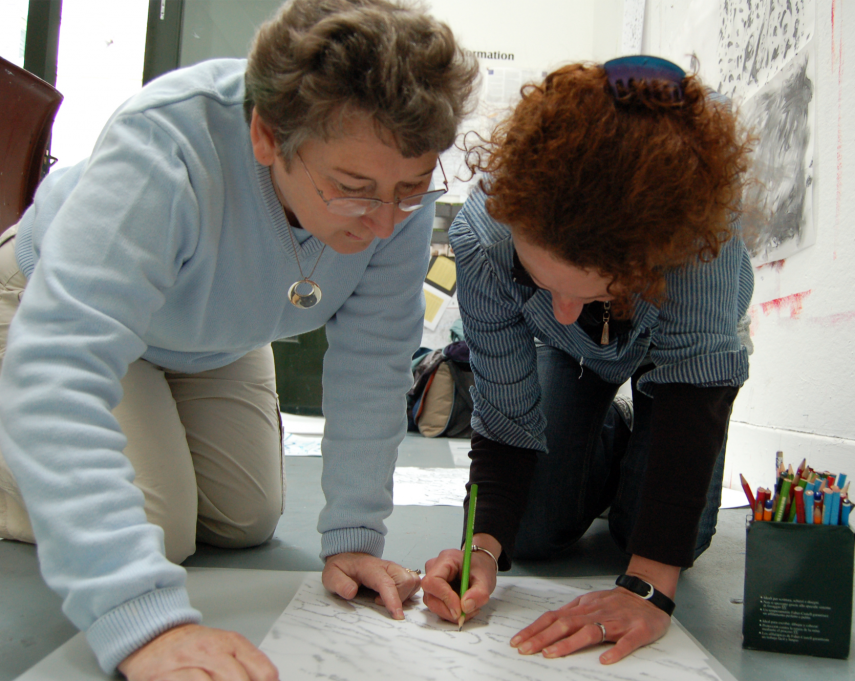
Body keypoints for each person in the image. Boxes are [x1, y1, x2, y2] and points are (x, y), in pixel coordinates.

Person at [0, 0, 476, 678]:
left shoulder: (393, 201)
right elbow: (61, 368)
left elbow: (372, 363)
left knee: (246, 516)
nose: (382, 225)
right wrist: (140, 618)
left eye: (410, 189)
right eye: (353, 189)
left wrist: (354, 536)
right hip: (44, 304)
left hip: (210, 337)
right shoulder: (166, 142)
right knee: (158, 525)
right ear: (265, 136)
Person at [421, 57, 754, 664]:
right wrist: (483, 549)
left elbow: (695, 392)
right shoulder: (483, 238)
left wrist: (646, 588)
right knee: (536, 530)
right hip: (571, 363)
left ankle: (635, 429)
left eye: (594, 291)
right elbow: (504, 406)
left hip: (677, 369)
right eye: (541, 283)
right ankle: (609, 429)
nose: (565, 312)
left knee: (664, 536)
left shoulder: (697, 242)